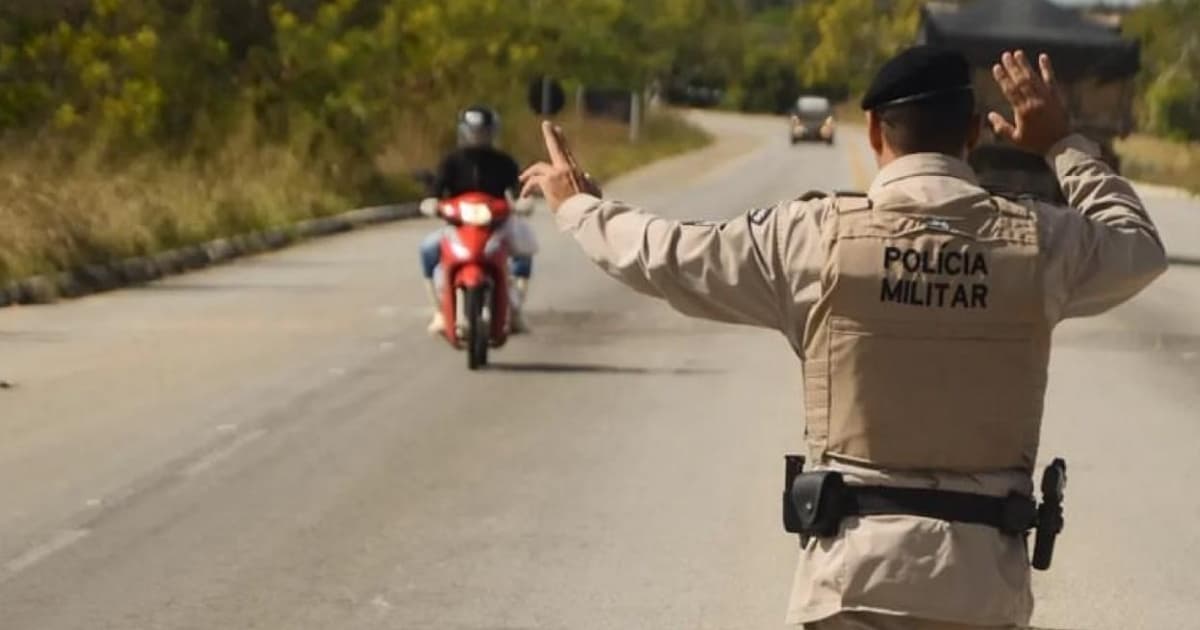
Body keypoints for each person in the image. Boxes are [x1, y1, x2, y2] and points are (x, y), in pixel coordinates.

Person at [520, 47, 1166, 629]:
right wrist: (1064, 145)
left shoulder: (814, 236)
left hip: (852, 582)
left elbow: (665, 255)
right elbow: (1137, 247)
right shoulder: (1038, 243)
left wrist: (579, 206)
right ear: (973, 134)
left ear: (878, 133)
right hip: (982, 586)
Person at [420, 105, 538, 335]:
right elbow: (436, 189)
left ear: (492, 132)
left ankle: (515, 311)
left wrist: (523, 202)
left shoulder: (504, 162)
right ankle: (440, 312)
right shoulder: (451, 161)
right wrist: (431, 202)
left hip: (497, 225)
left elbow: (518, 187)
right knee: (428, 249)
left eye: (483, 131)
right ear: (463, 131)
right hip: (459, 227)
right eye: (473, 131)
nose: (478, 136)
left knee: (525, 246)